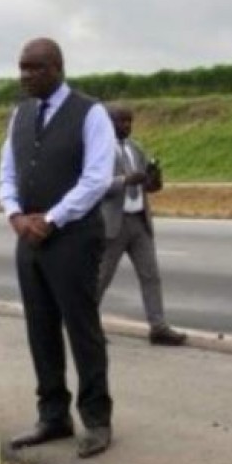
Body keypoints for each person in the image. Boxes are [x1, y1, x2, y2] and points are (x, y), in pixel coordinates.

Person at [0, 37, 115, 458]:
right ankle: (53, 415)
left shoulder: (90, 113)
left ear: (57, 68)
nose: (25, 75)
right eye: (22, 67)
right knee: (40, 327)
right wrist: (15, 214)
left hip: (73, 237)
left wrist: (52, 218)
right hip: (29, 238)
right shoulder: (21, 114)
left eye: (34, 68)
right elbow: (6, 173)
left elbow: (97, 178)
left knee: (81, 327)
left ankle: (97, 419)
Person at [98, 105, 186, 345]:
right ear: (107, 123)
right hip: (112, 224)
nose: (127, 126)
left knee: (151, 276)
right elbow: (95, 186)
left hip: (139, 221)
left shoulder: (136, 148)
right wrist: (126, 180)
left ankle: (158, 327)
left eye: (129, 121)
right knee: (101, 277)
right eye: (121, 121)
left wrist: (154, 179)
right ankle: (86, 323)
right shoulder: (99, 150)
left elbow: (149, 186)